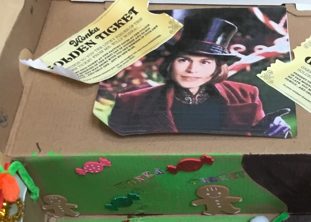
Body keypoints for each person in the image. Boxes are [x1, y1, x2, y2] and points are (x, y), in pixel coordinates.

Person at [108, 14, 291, 137]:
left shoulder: (246, 94)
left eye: (204, 62)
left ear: (217, 68)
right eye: (183, 60)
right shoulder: (131, 102)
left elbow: (255, 139)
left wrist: (271, 131)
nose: (192, 69)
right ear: (170, 63)